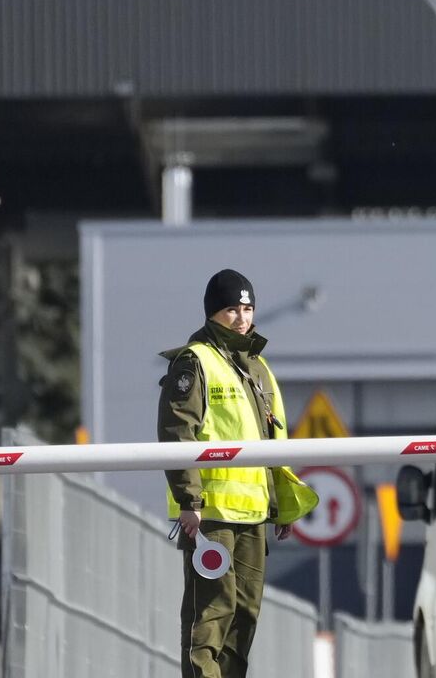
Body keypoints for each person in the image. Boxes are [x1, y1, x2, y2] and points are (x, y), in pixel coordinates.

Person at [159, 269, 304, 678]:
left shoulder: (258, 368)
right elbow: (176, 432)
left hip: (254, 515)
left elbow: (272, 440)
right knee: (211, 616)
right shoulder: (195, 361)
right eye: (231, 309)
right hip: (211, 516)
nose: (242, 318)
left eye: (247, 307)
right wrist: (190, 501)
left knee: (244, 617)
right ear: (212, 313)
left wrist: (282, 506)